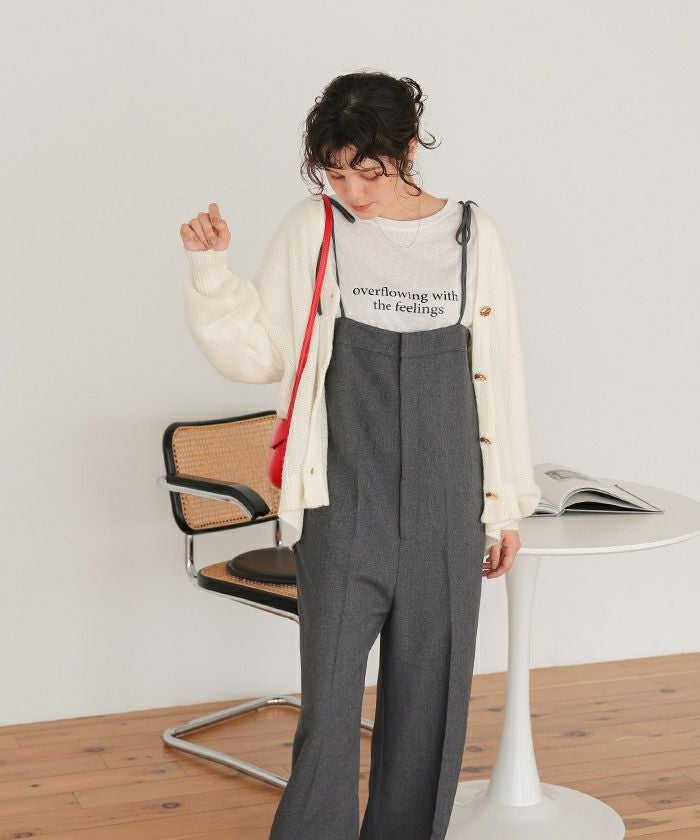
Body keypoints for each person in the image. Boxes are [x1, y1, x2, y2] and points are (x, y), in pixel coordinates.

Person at [180, 70, 540, 840]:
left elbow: (501, 373)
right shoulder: (315, 227)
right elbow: (260, 353)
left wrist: (505, 505)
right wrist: (213, 274)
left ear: (407, 152)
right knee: (330, 706)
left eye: (367, 172)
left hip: (450, 502)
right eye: (336, 173)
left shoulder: (473, 234)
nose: (352, 191)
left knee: (430, 704)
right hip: (343, 499)